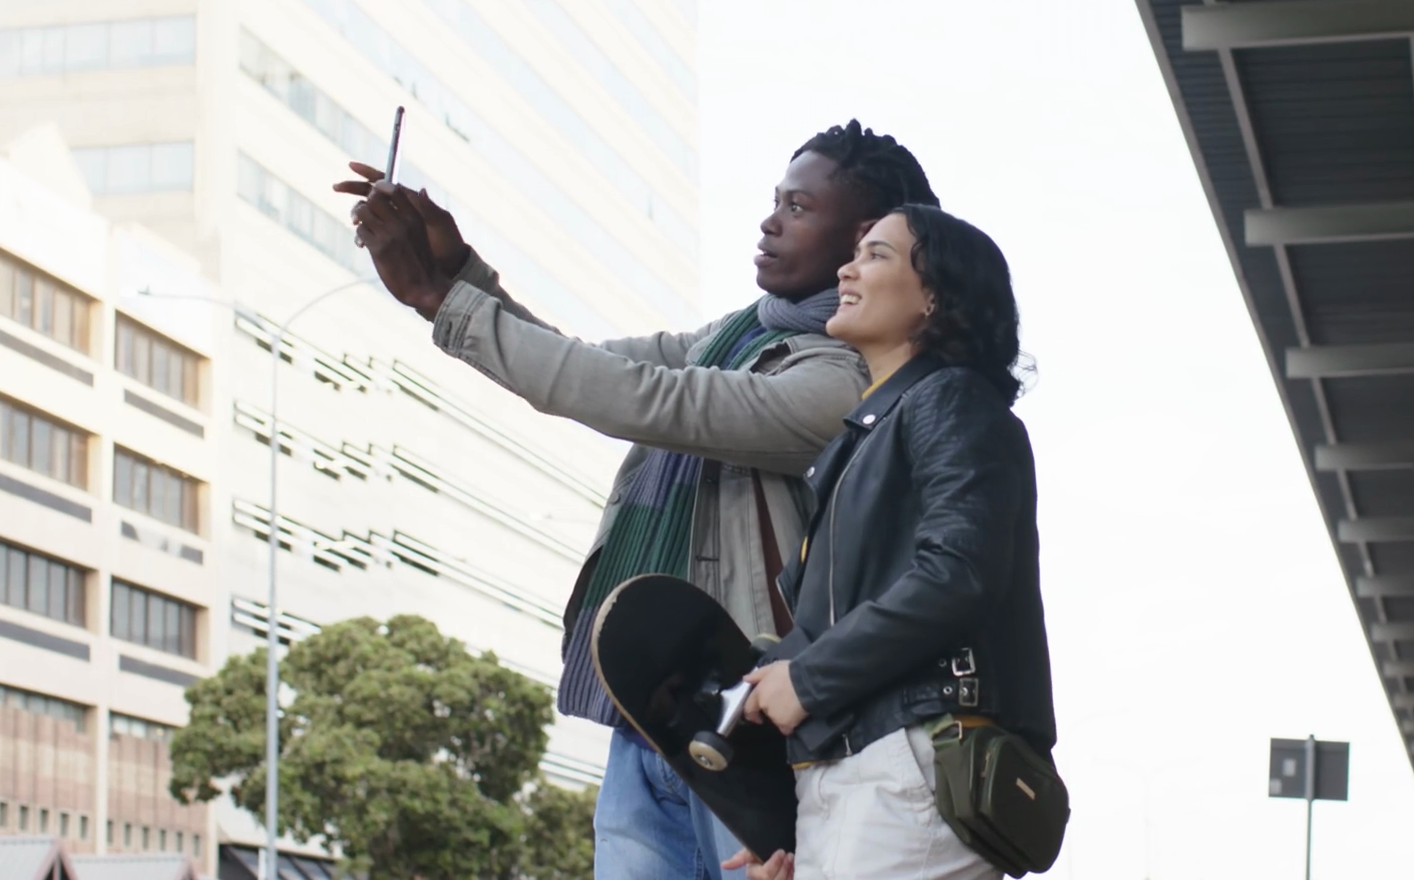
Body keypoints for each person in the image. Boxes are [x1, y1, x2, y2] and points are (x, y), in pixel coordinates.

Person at [337, 121, 940, 880]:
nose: (769, 222)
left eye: (797, 207)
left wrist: (444, 300)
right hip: (650, 710)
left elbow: (643, 398)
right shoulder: (736, 337)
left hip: (752, 719)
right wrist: (458, 275)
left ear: (863, 239)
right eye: (774, 201)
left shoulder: (846, 379)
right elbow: (583, 363)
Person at [731, 206, 1055, 880]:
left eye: (876, 255)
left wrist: (808, 679)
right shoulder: (864, 438)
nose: (847, 270)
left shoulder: (950, 399)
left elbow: (959, 572)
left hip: (911, 761)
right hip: (858, 771)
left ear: (935, 295)